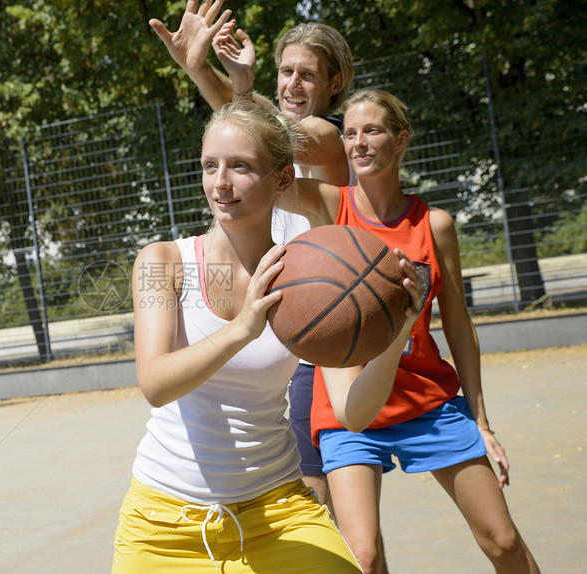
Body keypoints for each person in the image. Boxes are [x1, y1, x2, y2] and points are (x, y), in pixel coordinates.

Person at [111, 99, 421, 573]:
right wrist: (242, 329)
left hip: (276, 510)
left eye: (240, 167)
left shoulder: (310, 281)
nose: (220, 182)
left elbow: (353, 413)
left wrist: (398, 335)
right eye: (210, 166)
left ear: (282, 179)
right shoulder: (165, 263)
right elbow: (155, 384)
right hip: (164, 522)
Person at [289, 88, 539, 574]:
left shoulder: (434, 224)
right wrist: (232, 82)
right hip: (350, 410)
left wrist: (482, 422)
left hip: (427, 401)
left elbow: (460, 328)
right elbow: (259, 167)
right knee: (361, 556)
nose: (359, 143)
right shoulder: (327, 204)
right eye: (351, 133)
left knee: (503, 542)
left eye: (373, 131)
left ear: (401, 139)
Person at [149, 0, 355, 515]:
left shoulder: (330, 135)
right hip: (275, 309)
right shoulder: (175, 254)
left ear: (335, 83)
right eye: (285, 71)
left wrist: (234, 82)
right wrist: (204, 69)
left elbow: (262, 131)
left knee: (333, 498)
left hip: (319, 320)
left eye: (306, 75)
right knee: (321, 493)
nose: (291, 85)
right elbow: (248, 128)